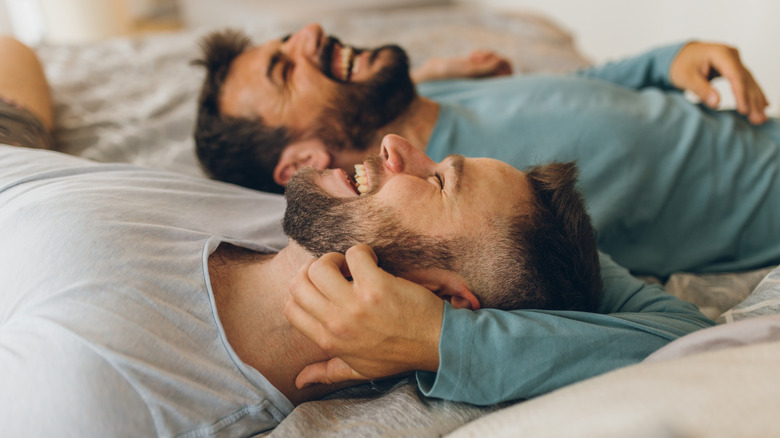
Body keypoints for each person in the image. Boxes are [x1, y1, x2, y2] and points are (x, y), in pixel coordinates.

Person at [1, 36, 713, 435]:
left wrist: (448, 344)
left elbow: (688, 350)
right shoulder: (299, 208)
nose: (399, 145)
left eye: (438, 181)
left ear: (445, 295)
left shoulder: (92, 394)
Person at [193, 24, 780, 279]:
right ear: (299, 165)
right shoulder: (477, 207)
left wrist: (667, 60)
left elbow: (577, 93)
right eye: (284, 68)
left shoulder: (420, 97)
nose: (311, 34)